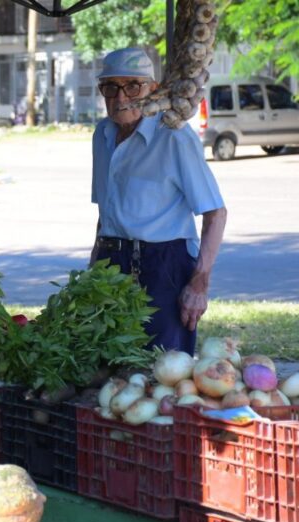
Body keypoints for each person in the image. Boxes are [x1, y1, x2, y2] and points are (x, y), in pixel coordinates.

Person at [89, 47, 227, 355]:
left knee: (162, 369)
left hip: (164, 265)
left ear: (152, 89)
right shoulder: (102, 134)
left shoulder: (174, 137)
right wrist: (93, 266)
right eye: (111, 87)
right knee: (107, 363)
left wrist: (199, 282)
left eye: (132, 86)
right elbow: (105, 210)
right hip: (110, 263)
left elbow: (215, 212)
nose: (121, 97)